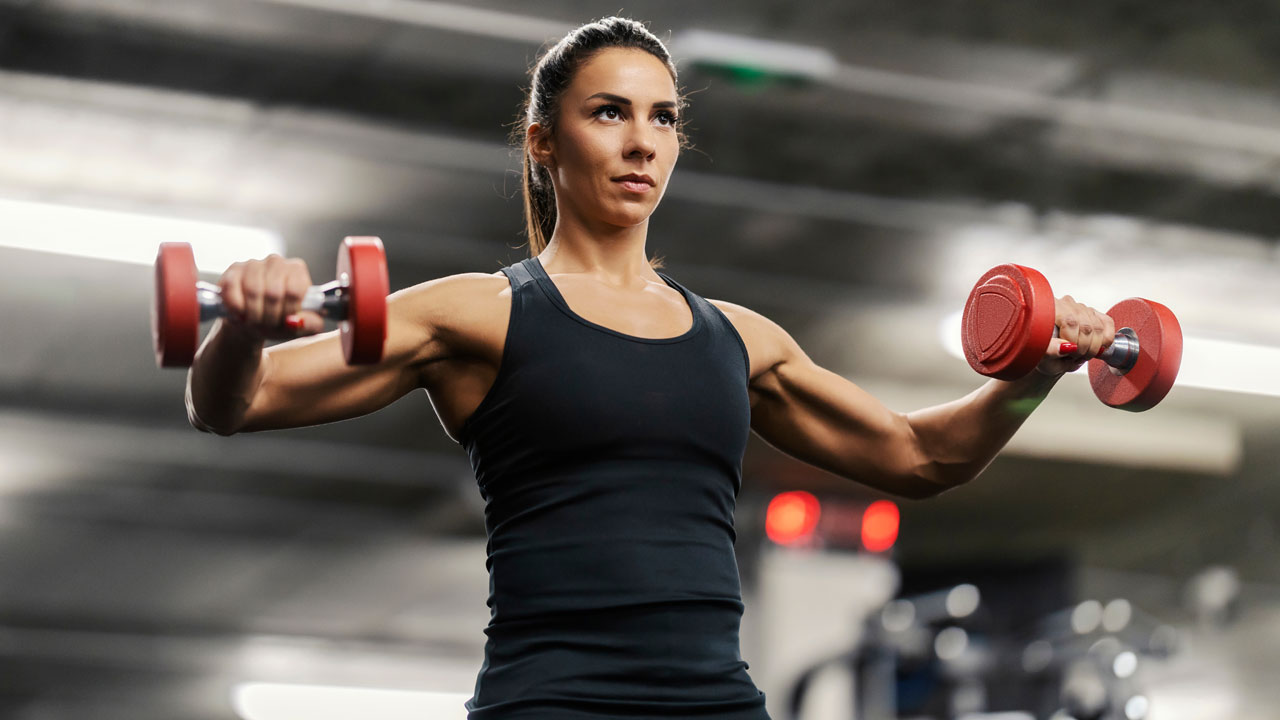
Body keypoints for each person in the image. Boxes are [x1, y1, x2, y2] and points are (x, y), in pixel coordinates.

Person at [185, 16, 1114, 720]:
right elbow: (235, 403)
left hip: (713, 701)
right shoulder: (477, 312)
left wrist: (1036, 375)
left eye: (662, 118)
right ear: (543, 141)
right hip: (550, 700)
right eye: (608, 113)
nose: (642, 141)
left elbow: (921, 457)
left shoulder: (740, 339)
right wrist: (242, 327)